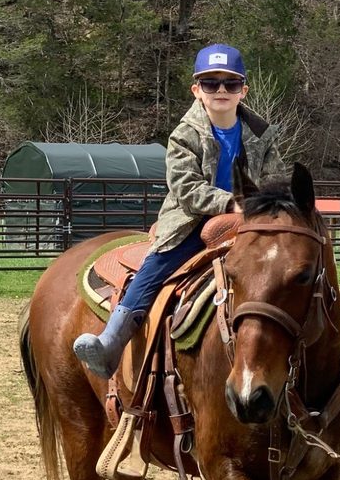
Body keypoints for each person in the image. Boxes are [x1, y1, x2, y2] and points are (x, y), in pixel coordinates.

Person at [74, 44, 284, 378]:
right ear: (196, 90)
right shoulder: (184, 135)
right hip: (192, 221)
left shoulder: (262, 134)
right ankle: (111, 341)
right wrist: (230, 203)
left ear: (243, 90)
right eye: (210, 83)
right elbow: (186, 188)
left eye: (230, 84)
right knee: (157, 265)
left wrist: (265, 205)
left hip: (250, 219)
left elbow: (275, 179)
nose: (220, 90)